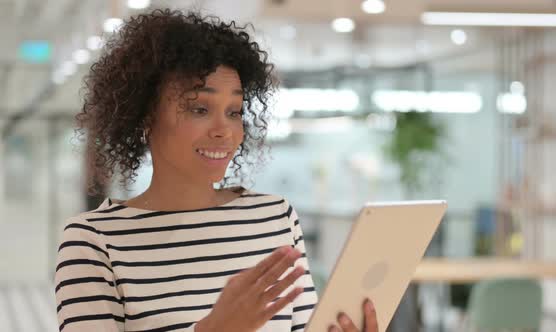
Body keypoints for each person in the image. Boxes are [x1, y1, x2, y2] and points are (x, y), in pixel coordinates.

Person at [54, 8, 378, 332]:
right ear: (145, 117)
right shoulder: (94, 242)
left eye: (234, 111)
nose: (225, 130)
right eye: (200, 109)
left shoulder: (275, 218)